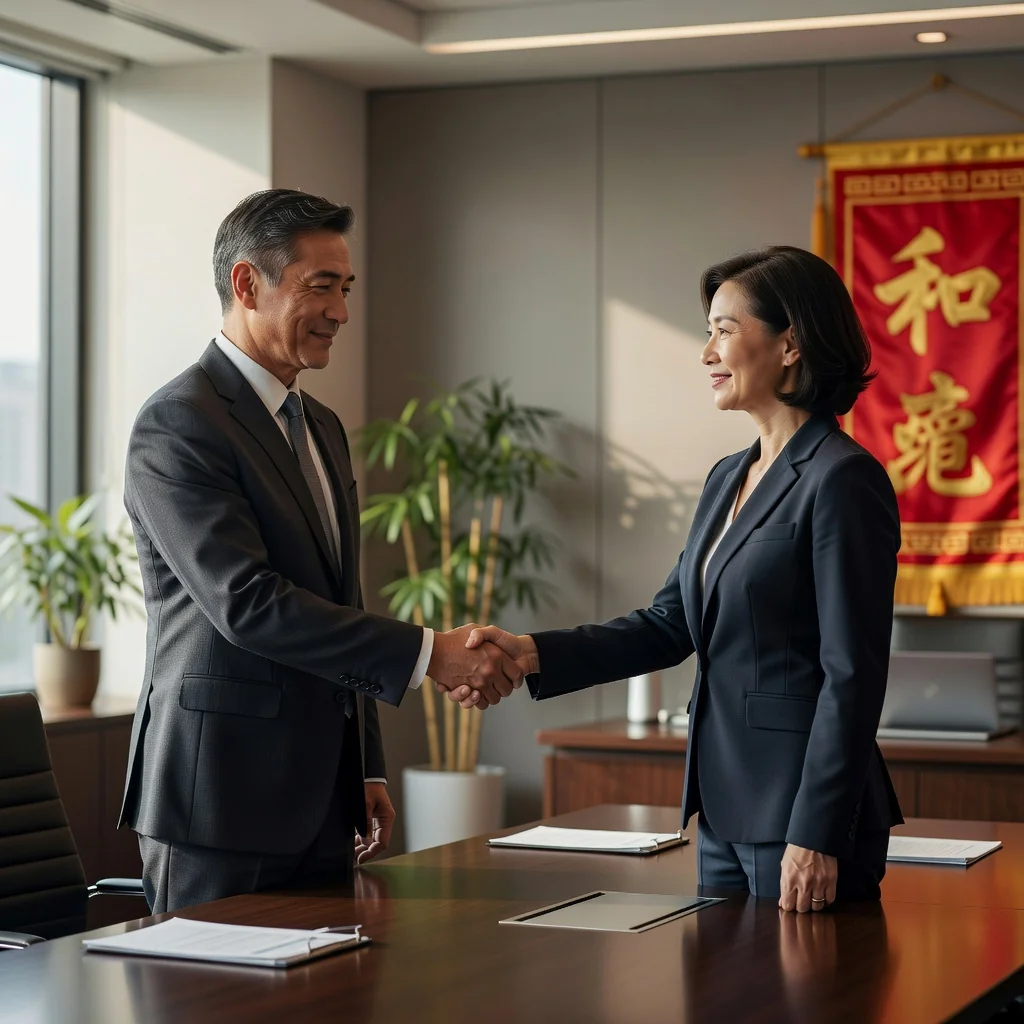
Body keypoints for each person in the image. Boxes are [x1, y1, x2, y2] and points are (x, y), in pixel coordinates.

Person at [447, 246, 904, 912]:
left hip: (805, 820)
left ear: (791, 344)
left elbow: (853, 675)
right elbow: (668, 625)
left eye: (724, 328)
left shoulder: (843, 479)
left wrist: (817, 834)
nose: (706, 351)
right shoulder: (727, 478)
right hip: (721, 810)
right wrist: (532, 653)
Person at [120, 189, 521, 914]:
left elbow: (341, 601)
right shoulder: (179, 423)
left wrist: (364, 765)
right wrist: (432, 652)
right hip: (220, 805)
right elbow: (249, 604)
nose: (340, 310)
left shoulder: (322, 426)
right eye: (321, 287)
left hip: (323, 803)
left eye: (346, 288)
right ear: (247, 284)